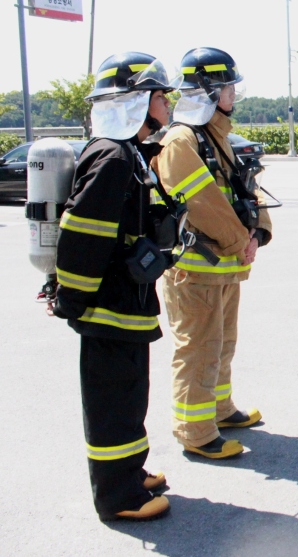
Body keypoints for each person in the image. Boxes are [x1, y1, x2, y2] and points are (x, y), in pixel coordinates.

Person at [52, 52, 178, 521]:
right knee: (113, 405)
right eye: (161, 96)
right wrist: (74, 300)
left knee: (129, 397)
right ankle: (117, 497)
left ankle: (131, 471)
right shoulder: (112, 155)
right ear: (138, 101)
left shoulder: (130, 153)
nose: (167, 105)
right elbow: (83, 236)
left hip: (127, 303)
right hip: (108, 309)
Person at [151, 47, 272, 459]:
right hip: (195, 270)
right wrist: (242, 243)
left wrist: (259, 232)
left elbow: (245, 187)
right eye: (229, 88)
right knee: (198, 347)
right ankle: (195, 431)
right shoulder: (181, 140)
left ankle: (220, 408)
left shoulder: (216, 135)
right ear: (210, 91)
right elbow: (203, 203)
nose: (234, 95)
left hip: (223, 267)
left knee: (221, 343)